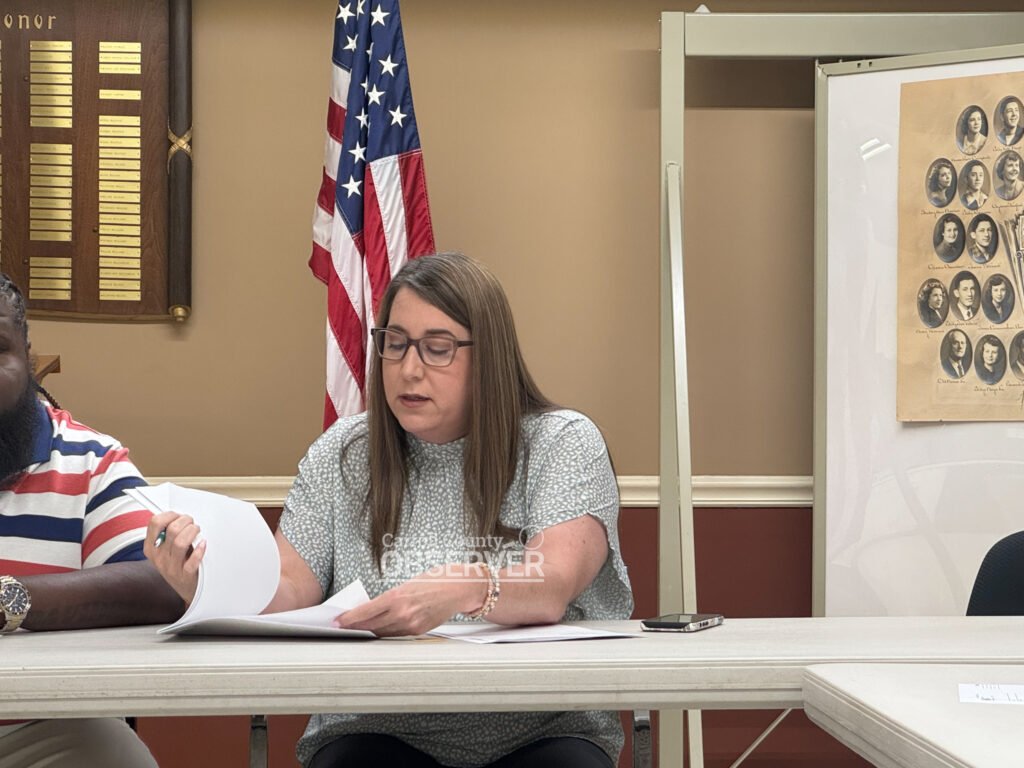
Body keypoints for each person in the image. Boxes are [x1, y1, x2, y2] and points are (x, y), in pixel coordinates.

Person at [148, 253, 634, 768]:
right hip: (375, 727)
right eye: (395, 344)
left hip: (542, 728)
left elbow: (553, 582)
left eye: (438, 349)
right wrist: (204, 583)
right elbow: (288, 589)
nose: (409, 369)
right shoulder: (343, 452)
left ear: (489, 357)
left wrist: (465, 587)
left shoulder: (561, 442)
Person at [0, 274, 183, 767]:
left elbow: (160, 579)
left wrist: (7, 600)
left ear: (28, 359)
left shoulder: (89, 459)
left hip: (42, 725)